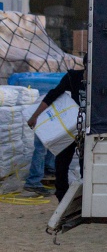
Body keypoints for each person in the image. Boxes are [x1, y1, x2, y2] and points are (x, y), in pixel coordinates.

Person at [25, 68, 84, 202]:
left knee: (85, 164)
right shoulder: (73, 77)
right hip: (72, 125)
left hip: (88, 128)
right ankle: (62, 196)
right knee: (61, 162)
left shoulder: (100, 79)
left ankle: (84, 196)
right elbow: (53, 94)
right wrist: (35, 116)